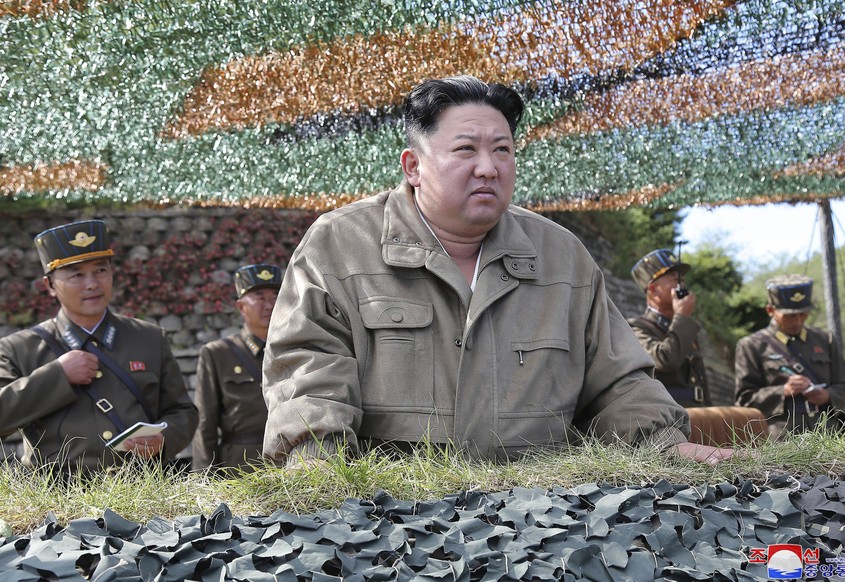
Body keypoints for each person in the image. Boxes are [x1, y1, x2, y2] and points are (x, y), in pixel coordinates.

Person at [263, 75, 733, 467]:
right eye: (466, 149)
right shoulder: (341, 244)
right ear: (413, 166)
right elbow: (309, 367)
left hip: (539, 516)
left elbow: (617, 381)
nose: (488, 168)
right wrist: (319, 469)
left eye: (502, 150)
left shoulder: (562, 258)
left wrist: (664, 443)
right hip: (391, 516)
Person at [0, 220, 198, 473]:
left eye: (100, 270)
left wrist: (163, 439)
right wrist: (57, 376)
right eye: (77, 275)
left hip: (139, 489)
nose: (92, 283)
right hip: (58, 493)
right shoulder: (18, 349)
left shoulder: (149, 338)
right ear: (50, 286)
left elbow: (183, 411)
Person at [734, 274, 845, 439]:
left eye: (803, 314)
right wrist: (783, 391)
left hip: (829, 434)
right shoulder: (751, 345)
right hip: (782, 439)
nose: (798, 321)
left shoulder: (824, 339)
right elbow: (744, 400)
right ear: (770, 311)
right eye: (789, 316)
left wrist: (828, 395)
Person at [192, 263, 281, 472]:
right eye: (260, 298)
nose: (269, 305)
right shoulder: (218, 353)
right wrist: (203, 478)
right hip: (239, 468)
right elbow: (205, 423)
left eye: (275, 298)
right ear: (241, 307)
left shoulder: (296, 348)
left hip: (289, 462)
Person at [628, 249, 711, 407]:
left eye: (682, 279)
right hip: (666, 414)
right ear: (653, 290)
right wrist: (681, 317)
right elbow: (664, 361)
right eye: (674, 278)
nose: (681, 283)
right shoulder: (636, 328)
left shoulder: (683, 326)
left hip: (698, 415)